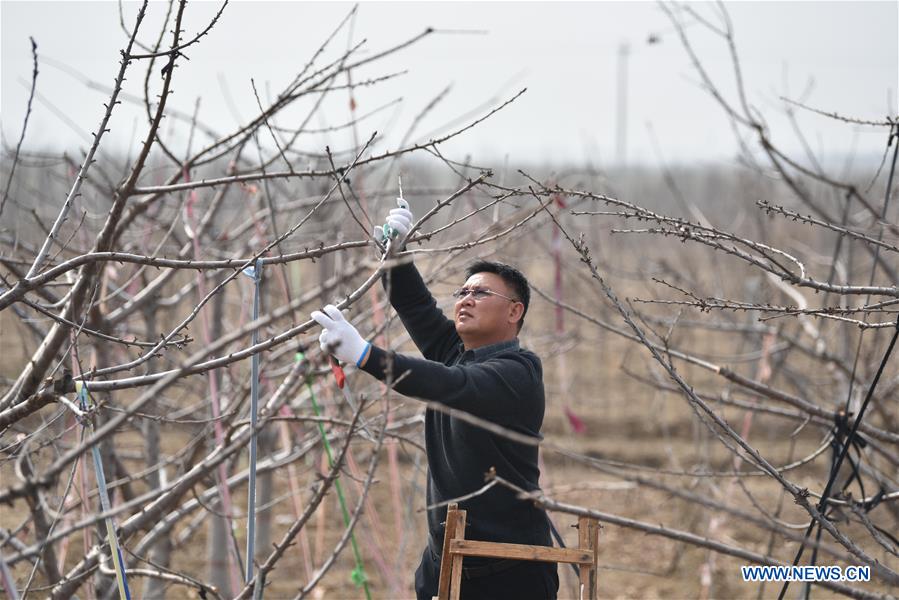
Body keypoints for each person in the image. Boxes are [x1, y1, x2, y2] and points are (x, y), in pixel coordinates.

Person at [311, 203, 558, 600]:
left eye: (481, 292)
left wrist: (365, 355)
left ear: (515, 311)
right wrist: (396, 256)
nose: (466, 299)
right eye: (462, 292)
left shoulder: (518, 371)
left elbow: (451, 384)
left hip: (509, 568)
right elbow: (416, 307)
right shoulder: (457, 352)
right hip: (445, 562)